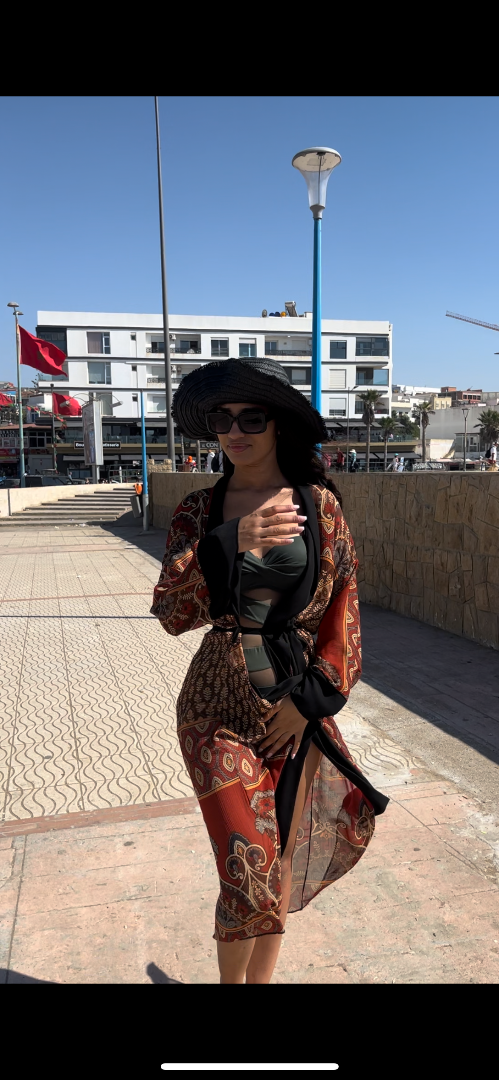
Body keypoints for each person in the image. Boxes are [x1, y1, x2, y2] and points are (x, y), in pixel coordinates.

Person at [151, 357, 388, 985]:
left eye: (251, 417)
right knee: (246, 868)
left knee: (278, 859)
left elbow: (344, 611)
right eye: (222, 419)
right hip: (215, 705)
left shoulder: (320, 507)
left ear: (278, 423)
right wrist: (230, 540)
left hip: (293, 704)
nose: (235, 430)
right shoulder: (199, 510)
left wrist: (310, 702)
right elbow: (171, 611)